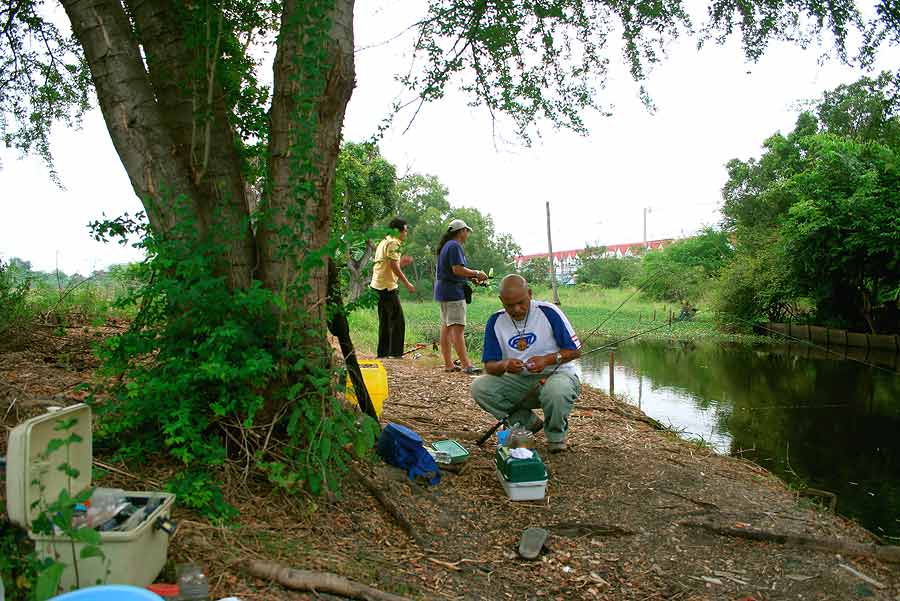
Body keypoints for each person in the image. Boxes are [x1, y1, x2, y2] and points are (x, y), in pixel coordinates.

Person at [471, 274, 581, 452]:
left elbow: (575, 350)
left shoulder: (548, 311)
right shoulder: (495, 321)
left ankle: (556, 436)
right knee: (480, 388)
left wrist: (546, 360)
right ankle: (526, 423)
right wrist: (505, 365)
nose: (516, 309)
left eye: (521, 302)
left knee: (556, 391)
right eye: (509, 305)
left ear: (529, 293)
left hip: (557, 375)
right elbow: (489, 366)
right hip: (520, 382)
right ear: (501, 300)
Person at [434, 218, 488, 374]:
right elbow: (457, 269)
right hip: (453, 293)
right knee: (457, 329)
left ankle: (448, 364)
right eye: (467, 232)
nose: (467, 235)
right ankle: (466, 365)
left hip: (444, 291)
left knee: (446, 327)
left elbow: (453, 271)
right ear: (462, 231)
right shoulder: (455, 246)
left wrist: (471, 278)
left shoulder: (447, 246)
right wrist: (477, 273)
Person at [370, 217, 415, 358]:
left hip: (377, 285)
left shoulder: (384, 241)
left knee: (385, 321)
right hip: (387, 287)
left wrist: (402, 262)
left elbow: (389, 265)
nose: (406, 234)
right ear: (398, 231)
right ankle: (395, 353)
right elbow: (393, 266)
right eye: (405, 231)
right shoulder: (393, 243)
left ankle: (383, 353)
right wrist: (407, 283)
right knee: (398, 321)